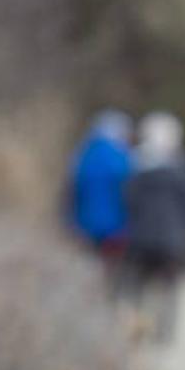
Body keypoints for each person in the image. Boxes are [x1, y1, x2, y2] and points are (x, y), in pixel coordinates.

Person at [123, 111, 185, 342]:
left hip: (141, 240)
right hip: (172, 240)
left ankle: (135, 329)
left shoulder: (136, 166)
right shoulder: (184, 167)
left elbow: (129, 200)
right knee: (169, 289)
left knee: (138, 289)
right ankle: (163, 333)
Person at [66, 109, 134, 271]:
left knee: (93, 266)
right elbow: (130, 192)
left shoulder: (83, 156)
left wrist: (72, 221)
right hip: (117, 225)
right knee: (113, 265)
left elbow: (73, 191)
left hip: (86, 224)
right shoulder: (123, 157)